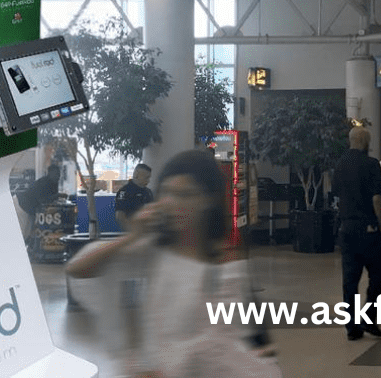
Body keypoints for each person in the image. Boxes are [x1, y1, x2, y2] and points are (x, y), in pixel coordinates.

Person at [66, 150, 274, 378]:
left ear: (208, 200)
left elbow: (237, 347)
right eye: (166, 192)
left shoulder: (226, 264)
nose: (171, 203)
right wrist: (133, 236)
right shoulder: (154, 250)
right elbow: (78, 269)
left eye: (185, 194)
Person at [333, 126, 381, 341]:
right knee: (378, 274)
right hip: (369, 230)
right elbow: (376, 198)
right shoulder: (371, 164)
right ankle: (369, 317)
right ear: (364, 141)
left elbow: (336, 193)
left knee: (350, 280)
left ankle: (351, 327)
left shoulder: (339, 164)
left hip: (347, 229)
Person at [115, 163, 153, 231]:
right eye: (146, 177)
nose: (148, 181)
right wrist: (132, 231)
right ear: (136, 174)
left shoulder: (148, 192)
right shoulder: (125, 192)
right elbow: (120, 215)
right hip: (132, 231)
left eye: (149, 178)